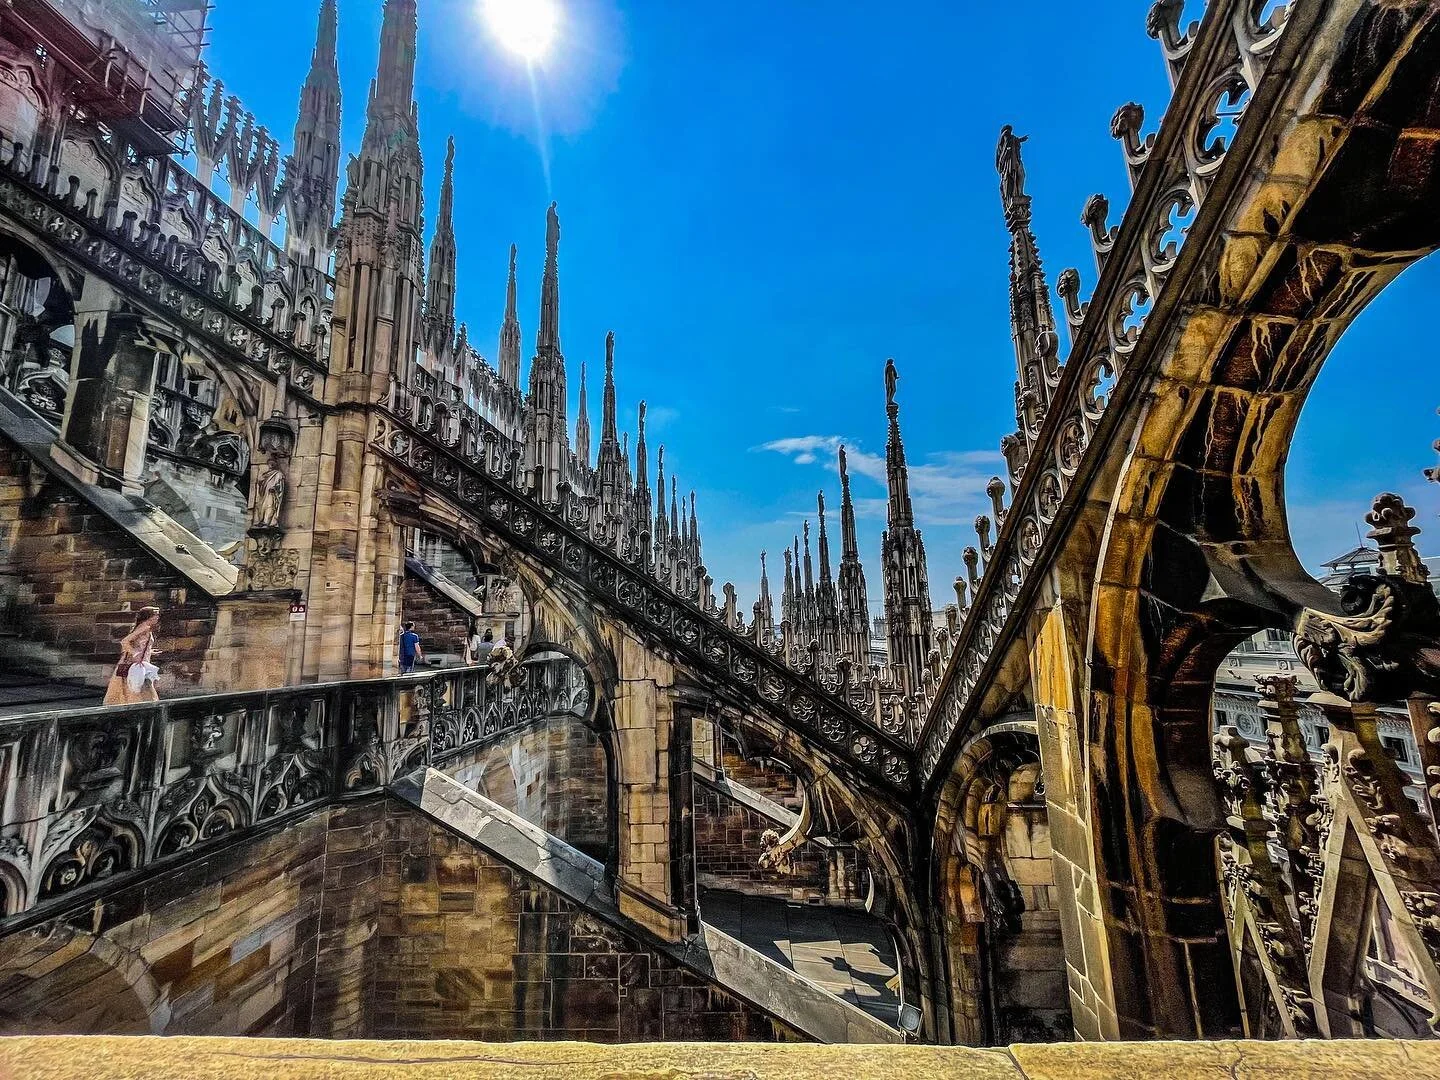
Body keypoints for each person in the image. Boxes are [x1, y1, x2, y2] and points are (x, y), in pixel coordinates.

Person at [104, 606, 161, 705]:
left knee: (135, 686)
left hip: (139, 663)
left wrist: (150, 651)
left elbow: (139, 644)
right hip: (134, 664)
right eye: (155, 615)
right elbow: (125, 641)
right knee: (138, 686)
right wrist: (136, 654)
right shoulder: (144, 627)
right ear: (149, 616)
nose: (157, 617)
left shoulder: (145, 627)